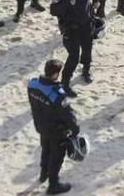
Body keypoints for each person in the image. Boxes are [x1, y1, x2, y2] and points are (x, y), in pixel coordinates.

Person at [27, 59, 79, 195]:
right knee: (56, 157)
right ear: (56, 74)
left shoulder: (32, 85)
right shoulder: (57, 94)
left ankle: (43, 174)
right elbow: (68, 115)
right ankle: (53, 185)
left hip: (40, 126)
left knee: (45, 150)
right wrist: (75, 130)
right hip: (57, 131)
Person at [50, 0, 99, 97]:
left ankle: (86, 71)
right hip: (71, 28)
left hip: (87, 23)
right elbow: (53, 10)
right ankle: (65, 83)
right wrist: (66, 0)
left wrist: (96, 0)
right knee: (74, 56)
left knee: (88, 49)